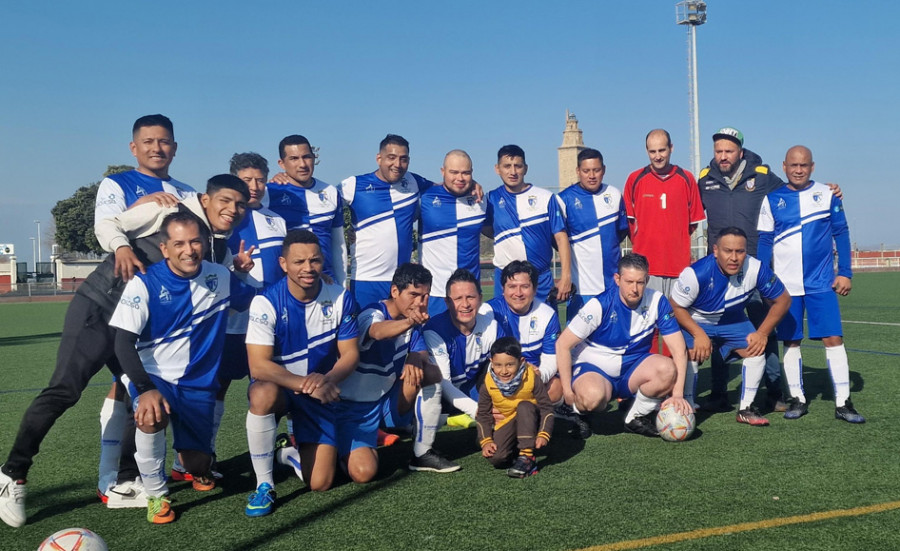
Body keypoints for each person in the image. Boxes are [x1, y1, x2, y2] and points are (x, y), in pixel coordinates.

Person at [0, 175, 252, 529]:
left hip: (136, 329)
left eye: (240, 204)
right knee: (66, 391)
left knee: (137, 388)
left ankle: (121, 479)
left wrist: (236, 272)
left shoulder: (217, 247)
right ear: (206, 199)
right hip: (100, 309)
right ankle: (13, 474)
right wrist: (120, 245)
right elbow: (108, 224)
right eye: (225, 200)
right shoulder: (168, 206)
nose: (233, 210)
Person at [108, 211, 256, 524]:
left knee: (198, 465)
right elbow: (122, 344)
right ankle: (156, 495)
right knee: (150, 417)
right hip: (155, 377)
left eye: (195, 241)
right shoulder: (144, 283)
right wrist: (145, 388)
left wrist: (243, 274)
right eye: (179, 243)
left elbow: (250, 301)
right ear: (165, 249)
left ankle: (188, 463)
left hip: (199, 384)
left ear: (204, 243)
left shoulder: (220, 276)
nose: (188, 250)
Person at [92, 114, 197, 506]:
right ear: (133, 147)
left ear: (175, 147)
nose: (157, 147)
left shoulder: (186, 191)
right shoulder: (116, 183)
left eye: (164, 141)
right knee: (127, 380)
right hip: (117, 297)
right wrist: (142, 207)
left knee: (129, 382)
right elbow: (107, 228)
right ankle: (114, 475)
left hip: (166, 308)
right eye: (148, 141)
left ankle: (123, 475)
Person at [244, 230, 360, 517]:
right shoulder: (265, 302)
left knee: (320, 483)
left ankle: (288, 452)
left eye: (314, 260)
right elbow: (258, 366)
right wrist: (308, 385)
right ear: (283, 264)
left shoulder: (340, 297)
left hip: (319, 392)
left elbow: (350, 355)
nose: (308, 268)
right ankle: (264, 484)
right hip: (283, 388)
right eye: (299, 262)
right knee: (262, 392)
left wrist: (328, 380)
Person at [189, 153, 286, 483]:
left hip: (270, 321)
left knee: (270, 385)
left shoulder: (277, 220)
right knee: (217, 387)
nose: (255, 186)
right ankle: (204, 454)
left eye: (261, 179)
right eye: (247, 181)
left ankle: (280, 450)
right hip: (230, 321)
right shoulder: (222, 220)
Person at [757, 146, 864, 424]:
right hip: (786, 288)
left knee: (833, 338)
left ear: (812, 167)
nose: (799, 169)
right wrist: (764, 281)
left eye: (804, 165)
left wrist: (846, 273)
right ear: (784, 166)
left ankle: (843, 402)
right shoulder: (772, 199)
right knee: (791, 340)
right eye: (793, 165)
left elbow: (841, 232)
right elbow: (765, 242)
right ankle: (797, 398)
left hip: (821, 283)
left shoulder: (827, 194)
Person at [555, 253, 692, 439]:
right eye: (629, 282)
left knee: (667, 370)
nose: (634, 289)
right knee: (593, 397)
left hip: (632, 368)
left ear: (647, 280)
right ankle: (573, 411)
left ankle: (634, 414)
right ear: (618, 279)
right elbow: (562, 344)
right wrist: (567, 391)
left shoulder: (658, 301)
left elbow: (678, 349)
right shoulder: (599, 304)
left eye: (640, 282)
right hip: (595, 368)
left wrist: (677, 394)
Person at [340, 263, 459, 473]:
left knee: (429, 372)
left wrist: (415, 356)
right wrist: (410, 323)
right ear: (395, 291)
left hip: (385, 400)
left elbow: (421, 352)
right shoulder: (373, 312)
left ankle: (422, 453)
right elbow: (377, 332)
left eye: (425, 295)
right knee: (363, 472)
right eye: (414, 294)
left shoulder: (411, 321)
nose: (420, 302)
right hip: (353, 408)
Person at [669, 227, 791, 426]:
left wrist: (762, 333)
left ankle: (746, 409)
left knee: (756, 348)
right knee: (690, 353)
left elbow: (783, 300)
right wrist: (698, 334)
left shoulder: (756, 268)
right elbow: (676, 306)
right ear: (716, 250)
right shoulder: (695, 273)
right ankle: (688, 404)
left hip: (733, 321)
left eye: (740, 251)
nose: (734, 258)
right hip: (698, 321)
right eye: (728, 251)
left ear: (746, 252)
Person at [341, 135, 435, 308]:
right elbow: (323, 202)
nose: (397, 164)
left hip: (402, 282)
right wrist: (342, 231)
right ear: (379, 158)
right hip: (365, 280)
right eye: (391, 158)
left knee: (404, 332)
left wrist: (472, 184)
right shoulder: (354, 184)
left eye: (403, 159)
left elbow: (446, 188)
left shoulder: (414, 181)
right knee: (367, 333)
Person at [485, 144, 572, 303]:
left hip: (540, 278)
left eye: (517, 166)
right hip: (505, 278)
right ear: (497, 169)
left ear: (525, 168)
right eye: (507, 166)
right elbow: (485, 228)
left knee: (547, 326)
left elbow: (561, 237)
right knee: (504, 327)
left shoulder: (546, 197)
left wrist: (566, 276)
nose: (512, 172)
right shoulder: (490, 199)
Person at [423, 269, 505, 421]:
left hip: (473, 392)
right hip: (442, 398)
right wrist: (477, 411)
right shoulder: (435, 330)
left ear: (480, 299)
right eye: (458, 298)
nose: (465, 304)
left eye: (470, 297)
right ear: (447, 302)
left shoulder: (492, 327)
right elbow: (443, 384)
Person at [557, 148, 628, 321]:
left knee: (614, 341)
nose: (591, 175)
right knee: (578, 345)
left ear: (603, 170)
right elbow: (558, 240)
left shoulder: (614, 194)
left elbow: (621, 232)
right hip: (581, 290)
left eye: (596, 170)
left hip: (612, 286)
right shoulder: (563, 199)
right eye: (586, 171)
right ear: (578, 171)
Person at [265, 135, 346, 284]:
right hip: (290, 283)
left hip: (327, 281)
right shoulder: (269, 193)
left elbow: (338, 244)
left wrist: (340, 283)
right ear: (282, 163)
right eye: (294, 159)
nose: (302, 164)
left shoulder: (331, 192)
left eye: (307, 157)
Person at [481, 261, 562, 404]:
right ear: (503, 289)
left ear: (535, 289)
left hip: (534, 378)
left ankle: (534, 415)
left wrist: (540, 375)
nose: (518, 293)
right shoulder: (488, 312)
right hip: (501, 378)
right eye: (512, 287)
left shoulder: (547, 314)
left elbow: (551, 357)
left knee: (556, 388)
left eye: (525, 287)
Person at [418, 150, 486, 316]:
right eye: (454, 172)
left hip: (469, 295)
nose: (460, 178)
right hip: (435, 294)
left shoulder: (482, 201)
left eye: (466, 173)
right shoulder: (424, 197)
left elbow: (495, 231)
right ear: (442, 171)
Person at [476, 337, 554, 478]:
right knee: (496, 458)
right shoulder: (487, 383)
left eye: (510, 365)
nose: (504, 371)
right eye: (498, 365)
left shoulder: (531, 377)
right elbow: (483, 414)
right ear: (491, 363)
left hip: (531, 418)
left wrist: (544, 433)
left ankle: (527, 457)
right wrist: (486, 440)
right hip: (508, 421)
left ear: (521, 362)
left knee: (524, 406)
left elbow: (546, 408)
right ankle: (516, 452)